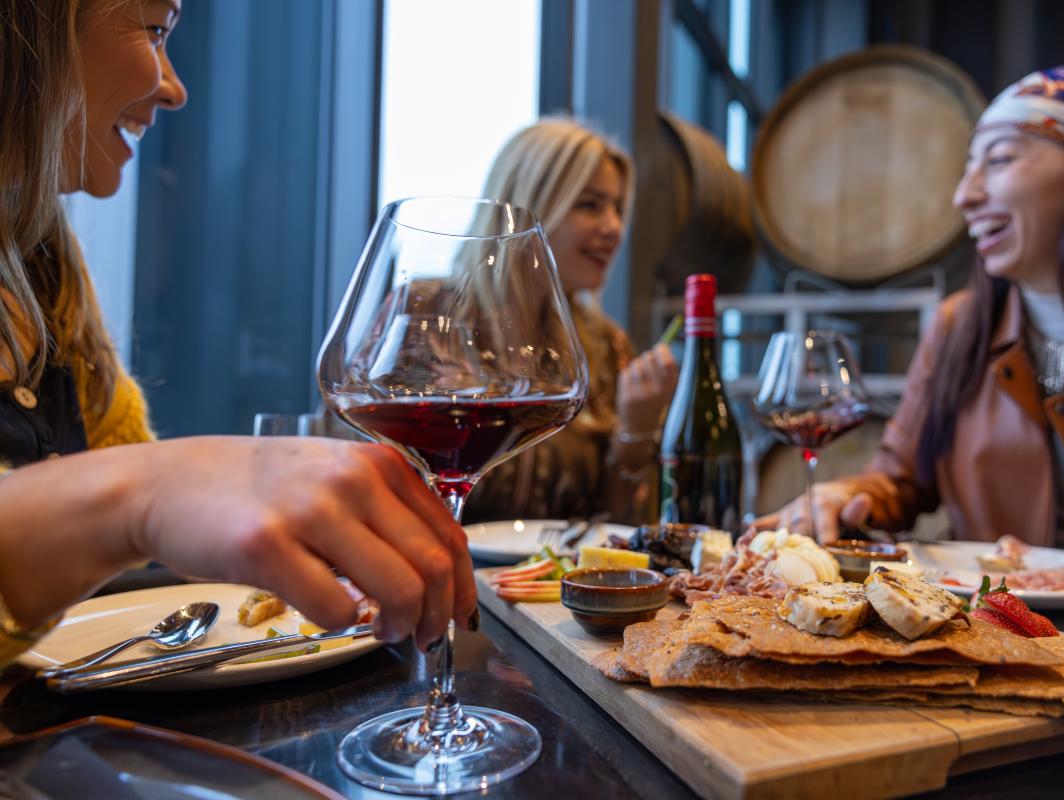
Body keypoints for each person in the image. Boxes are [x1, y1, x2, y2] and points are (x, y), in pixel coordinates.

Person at [0, 0, 474, 666]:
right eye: (155, 31)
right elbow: (138, 493)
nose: (174, 85)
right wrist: (143, 494)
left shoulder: (46, 265)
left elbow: (144, 531)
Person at [756, 64, 1064, 594]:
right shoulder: (959, 326)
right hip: (996, 638)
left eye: (1000, 160)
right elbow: (901, 480)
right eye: (969, 167)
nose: (964, 195)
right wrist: (847, 493)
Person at [462, 118, 678, 524]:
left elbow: (621, 532)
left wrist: (637, 431)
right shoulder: (427, 316)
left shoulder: (606, 345)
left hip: (553, 584)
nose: (614, 228)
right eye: (590, 205)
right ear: (529, 206)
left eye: (617, 208)